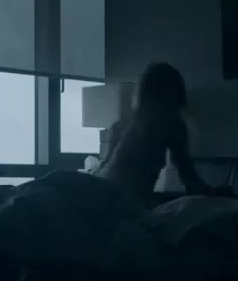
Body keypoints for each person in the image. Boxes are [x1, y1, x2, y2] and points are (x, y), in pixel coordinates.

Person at [93, 62, 222, 207]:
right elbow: (190, 180)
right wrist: (216, 195)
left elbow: (107, 169)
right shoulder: (172, 123)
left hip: (104, 200)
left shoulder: (120, 125)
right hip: (130, 205)